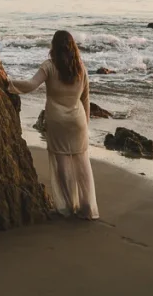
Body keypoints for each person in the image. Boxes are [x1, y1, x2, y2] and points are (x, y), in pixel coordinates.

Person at [6, 30, 99, 220]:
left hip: (57, 121)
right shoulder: (81, 67)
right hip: (78, 120)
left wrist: (7, 82)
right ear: (72, 46)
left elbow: (31, 85)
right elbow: (86, 98)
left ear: (53, 47)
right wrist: (85, 123)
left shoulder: (49, 66)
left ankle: (68, 206)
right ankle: (87, 206)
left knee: (62, 162)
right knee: (82, 163)